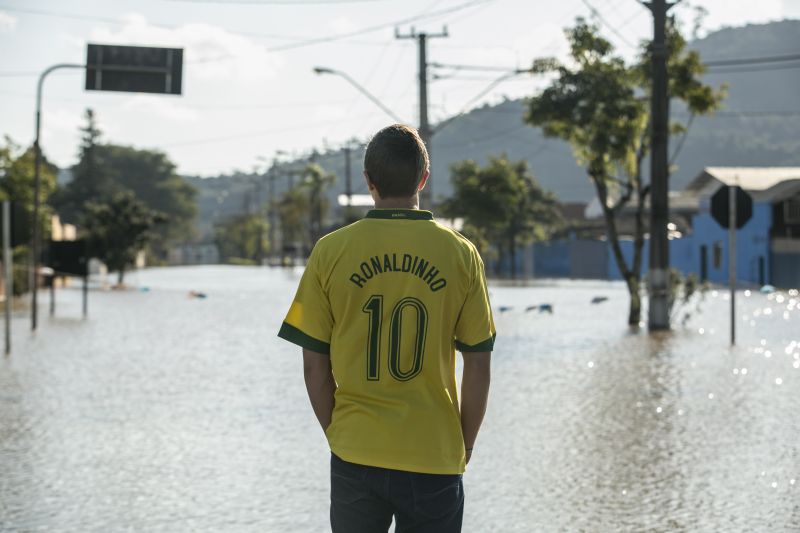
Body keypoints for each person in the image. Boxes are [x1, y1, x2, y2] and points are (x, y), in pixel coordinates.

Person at [278, 124, 494, 533]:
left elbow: (313, 366)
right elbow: (479, 365)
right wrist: (464, 444)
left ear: (368, 182)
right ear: (423, 179)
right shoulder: (461, 254)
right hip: (433, 452)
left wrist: (340, 434)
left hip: (356, 449)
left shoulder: (331, 251)